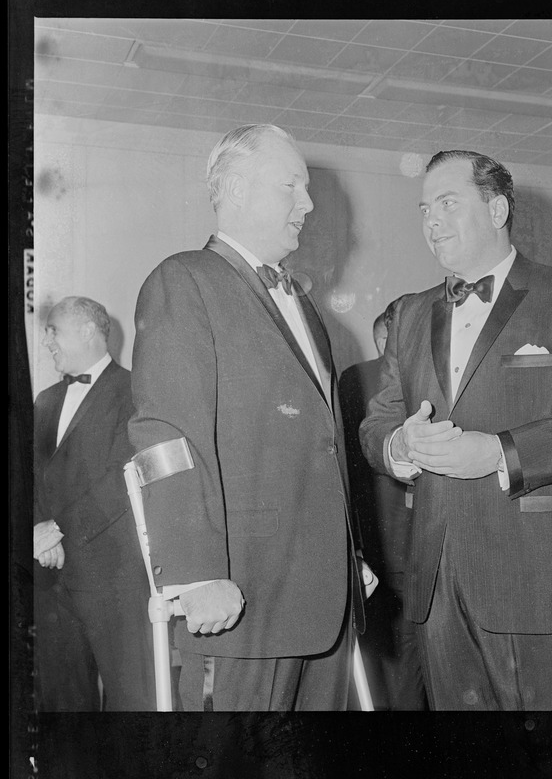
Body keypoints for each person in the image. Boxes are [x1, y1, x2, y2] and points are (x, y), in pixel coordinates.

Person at [359, 149, 552, 711]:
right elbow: (379, 423)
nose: (431, 222)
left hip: (535, 579)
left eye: (447, 204)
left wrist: (496, 452)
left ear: (495, 210)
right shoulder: (411, 315)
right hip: (436, 582)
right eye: (423, 210)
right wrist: (399, 446)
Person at [128, 123, 366, 711]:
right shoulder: (184, 281)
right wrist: (193, 575)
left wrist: (348, 553)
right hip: (241, 602)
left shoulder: (304, 307)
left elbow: (317, 449)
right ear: (234, 190)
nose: (308, 204)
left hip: (323, 601)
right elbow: (166, 437)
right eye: (292, 185)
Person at [33, 296, 154, 711]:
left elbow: (123, 476)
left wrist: (56, 531)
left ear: (89, 329)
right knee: (63, 707)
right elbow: (30, 477)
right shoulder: (44, 401)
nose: (47, 341)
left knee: (131, 702)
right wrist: (37, 532)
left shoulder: (135, 390)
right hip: (51, 580)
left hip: (113, 578)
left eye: (55, 331)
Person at [339, 296, 428, 711]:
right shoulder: (404, 376)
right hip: (413, 538)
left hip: (382, 540)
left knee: (389, 658)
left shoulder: (355, 378)